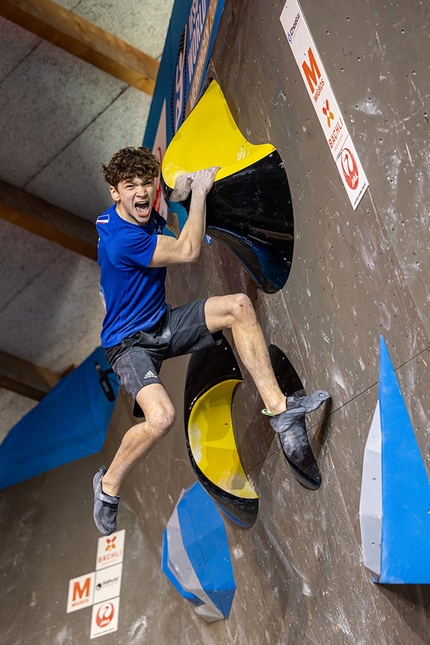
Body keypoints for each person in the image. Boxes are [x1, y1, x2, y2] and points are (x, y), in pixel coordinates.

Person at [93, 146, 329, 536]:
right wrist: (200, 193)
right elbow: (186, 250)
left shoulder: (139, 210)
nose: (140, 192)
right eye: (128, 186)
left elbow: (165, 227)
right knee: (162, 418)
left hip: (162, 322)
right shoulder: (122, 239)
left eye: (145, 183)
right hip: (129, 345)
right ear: (114, 192)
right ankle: (108, 486)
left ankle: (281, 413)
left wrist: (174, 198)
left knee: (237, 307)